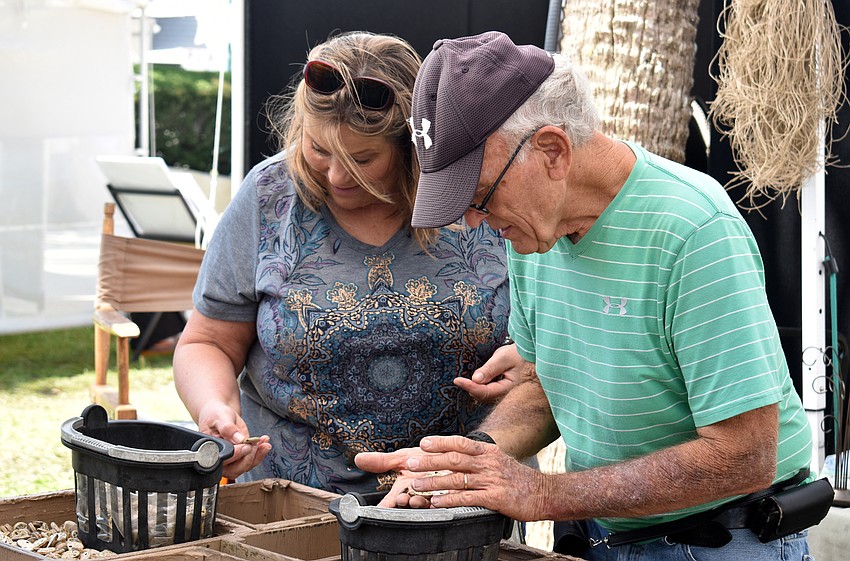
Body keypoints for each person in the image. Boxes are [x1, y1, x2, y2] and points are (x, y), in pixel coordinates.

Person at [354, 31, 823, 560]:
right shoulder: (534, 232)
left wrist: (543, 492)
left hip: (723, 539)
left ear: (552, 151)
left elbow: (746, 454)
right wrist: (469, 465)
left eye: (479, 195)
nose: (471, 221)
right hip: (603, 535)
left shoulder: (692, 230)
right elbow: (547, 384)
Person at [172, 31, 516, 495]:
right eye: (318, 149)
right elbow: (208, 341)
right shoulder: (268, 197)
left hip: (457, 501)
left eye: (361, 159)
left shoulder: (475, 199)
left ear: (411, 149)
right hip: (292, 506)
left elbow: (545, 350)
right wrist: (213, 406)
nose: (335, 175)